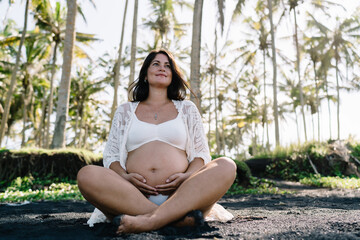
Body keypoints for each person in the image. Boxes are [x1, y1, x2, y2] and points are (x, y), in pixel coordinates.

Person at [77, 49, 237, 234]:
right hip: (132, 198)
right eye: (156, 64)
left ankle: (149, 221)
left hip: (184, 196)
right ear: (145, 74)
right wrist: (124, 176)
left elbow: (201, 153)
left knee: (226, 165)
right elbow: (112, 156)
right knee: (86, 174)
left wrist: (187, 176)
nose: (162, 68)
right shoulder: (125, 111)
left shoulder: (187, 109)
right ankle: (174, 220)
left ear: (172, 76)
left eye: (167, 66)